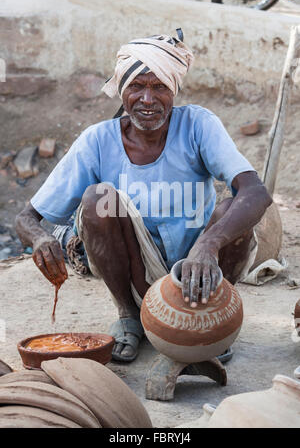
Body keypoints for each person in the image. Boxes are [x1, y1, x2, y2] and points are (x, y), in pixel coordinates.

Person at [16, 30, 272, 363]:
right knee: (98, 200)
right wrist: (38, 239)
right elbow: (26, 217)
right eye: (136, 86)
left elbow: (256, 192)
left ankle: (211, 316)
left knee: (230, 210)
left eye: (159, 87)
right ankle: (128, 316)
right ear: (122, 90)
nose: (147, 100)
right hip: (135, 269)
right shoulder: (97, 140)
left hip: (198, 266)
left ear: (174, 91)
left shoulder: (199, 125)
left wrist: (208, 245)